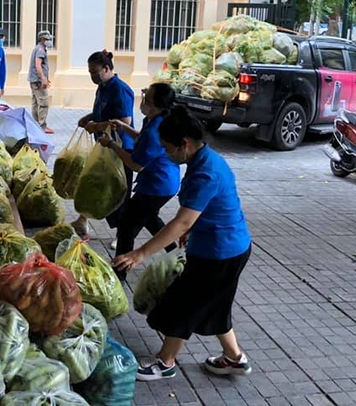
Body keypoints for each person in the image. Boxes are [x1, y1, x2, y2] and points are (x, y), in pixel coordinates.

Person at [112, 106, 252, 381]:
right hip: (230, 247)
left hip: (219, 253)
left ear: (184, 144)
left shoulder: (205, 172)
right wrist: (193, 229)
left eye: (167, 148)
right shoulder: (205, 159)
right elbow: (205, 210)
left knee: (182, 305)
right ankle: (235, 358)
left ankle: (165, 362)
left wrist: (140, 253)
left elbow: (181, 222)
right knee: (215, 304)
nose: (166, 154)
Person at [95, 83, 180, 281]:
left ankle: (119, 273)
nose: (143, 102)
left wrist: (112, 145)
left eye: (148, 100)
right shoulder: (155, 120)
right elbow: (141, 139)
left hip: (157, 185)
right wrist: (125, 128)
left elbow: (135, 165)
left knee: (127, 225)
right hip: (163, 183)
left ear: (159, 106)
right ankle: (175, 253)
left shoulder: (156, 129)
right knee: (149, 217)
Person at [73, 50, 134, 238]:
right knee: (93, 182)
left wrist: (98, 125)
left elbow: (125, 121)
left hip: (120, 148)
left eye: (95, 72)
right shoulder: (102, 87)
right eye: (90, 72)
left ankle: (122, 235)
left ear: (107, 69)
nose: (92, 76)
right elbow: (102, 112)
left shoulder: (120, 89)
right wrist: (89, 118)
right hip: (104, 144)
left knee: (118, 192)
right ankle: (83, 220)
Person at [29, 30, 55, 134]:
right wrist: (43, 79)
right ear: (43, 39)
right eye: (48, 39)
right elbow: (38, 65)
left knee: (36, 102)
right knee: (43, 103)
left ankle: (35, 124)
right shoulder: (40, 50)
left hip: (34, 80)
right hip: (38, 81)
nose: (50, 41)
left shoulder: (38, 48)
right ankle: (42, 126)